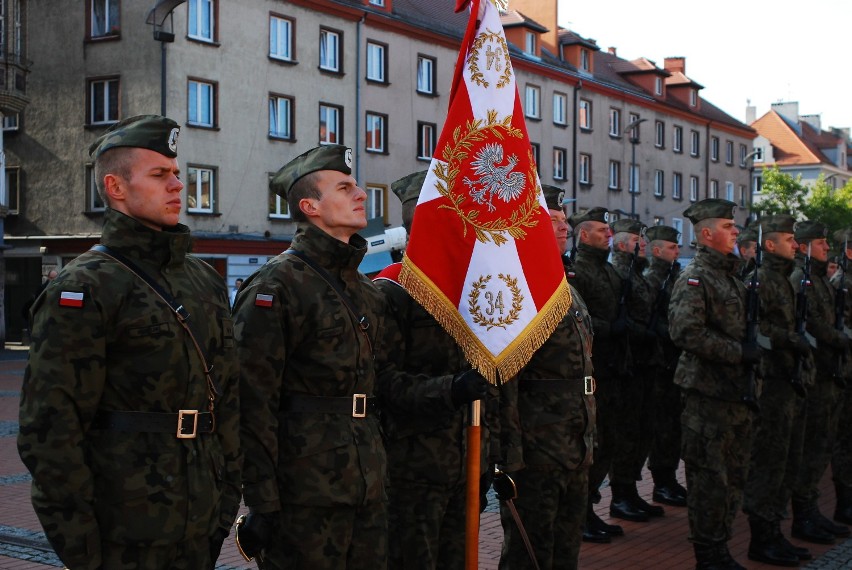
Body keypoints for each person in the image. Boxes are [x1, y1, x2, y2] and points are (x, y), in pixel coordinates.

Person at [17, 114, 242, 570]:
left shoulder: (202, 280)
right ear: (116, 188)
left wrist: (224, 501)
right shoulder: (85, 287)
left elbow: (228, 399)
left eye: (177, 173)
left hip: (200, 523)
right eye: (160, 175)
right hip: (123, 530)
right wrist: (83, 550)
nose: (177, 184)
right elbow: (50, 433)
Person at [232, 144, 392, 568]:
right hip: (304, 492)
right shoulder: (276, 286)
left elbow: (380, 387)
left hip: (367, 485)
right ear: (310, 206)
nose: (361, 195)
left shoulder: (366, 291)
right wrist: (262, 499)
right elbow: (252, 399)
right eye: (344, 187)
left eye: (357, 186)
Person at [373, 170, 492, 569]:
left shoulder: (473, 291)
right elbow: (383, 381)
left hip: (464, 463)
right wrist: (451, 390)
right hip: (412, 470)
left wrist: (487, 455)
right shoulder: (391, 291)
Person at [497, 184, 596, 568]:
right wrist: (509, 453)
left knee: (566, 549)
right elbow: (505, 378)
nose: (563, 227)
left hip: (575, 442)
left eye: (564, 221)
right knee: (530, 552)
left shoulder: (565, 287)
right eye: (552, 221)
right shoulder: (513, 288)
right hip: (538, 447)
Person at [668, 198, 758, 569]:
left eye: (734, 226)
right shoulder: (697, 276)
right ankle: (708, 554)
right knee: (709, 480)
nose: (735, 231)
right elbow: (685, 332)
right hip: (707, 395)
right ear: (706, 234)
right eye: (727, 226)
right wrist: (738, 352)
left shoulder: (730, 276)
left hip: (736, 394)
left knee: (734, 477)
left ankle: (720, 546)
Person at [741, 214, 814, 566]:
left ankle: (776, 531)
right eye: (789, 239)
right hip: (770, 383)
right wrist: (789, 339)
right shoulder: (760, 279)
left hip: (789, 382)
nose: (796, 245)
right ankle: (762, 537)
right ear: (770, 244)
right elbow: (756, 328)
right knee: (768, 463)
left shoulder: (785, 279)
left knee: (787, 461)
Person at [566, 206, 627, 543]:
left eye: (608, 231)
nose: (608, 235)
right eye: (602, 231)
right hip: (593, 367)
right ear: (584, 235)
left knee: (608, 443)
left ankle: (588, 508)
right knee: (593, 443)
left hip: (613, 367)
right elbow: (581, 317)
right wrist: (610, 329)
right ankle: (583, 512)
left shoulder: (609, 271)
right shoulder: (578, 270)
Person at [789, 220, 850, 546]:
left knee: (821, 445)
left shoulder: (819, 279)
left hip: (828, 372)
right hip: (814, 375)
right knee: (811, 447)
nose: (827, 248)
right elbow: (813, 325)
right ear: (804, 245)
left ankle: (810, 511)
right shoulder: (803, 280)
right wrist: (839, 338)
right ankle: (803, 515)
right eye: (821, 243)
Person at [608, 218, 665, 522]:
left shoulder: (636, 274)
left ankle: (629, 490)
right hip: (628, 363)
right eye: (635, 240)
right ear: (620, 245)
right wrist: (637, 332)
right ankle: (620, 494)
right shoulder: (620, 272)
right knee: (627, 432)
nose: (642, 244)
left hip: (645, 362)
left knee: (642, 430)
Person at [643, 225, 687, 508]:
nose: (677, 251)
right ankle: (661, 481)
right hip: (659, 363)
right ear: (657, 251)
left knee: (673, 425)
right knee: (662, 427)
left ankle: (669, 479)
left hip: (672, 361)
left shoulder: (672, 277)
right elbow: (649, 317)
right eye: (672, 248)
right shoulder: (652, 278)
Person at [830, 230, 852, 524]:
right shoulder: (842, 284)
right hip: (846, 371)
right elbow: (840, 328)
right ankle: (844, 503)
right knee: (845, 439)